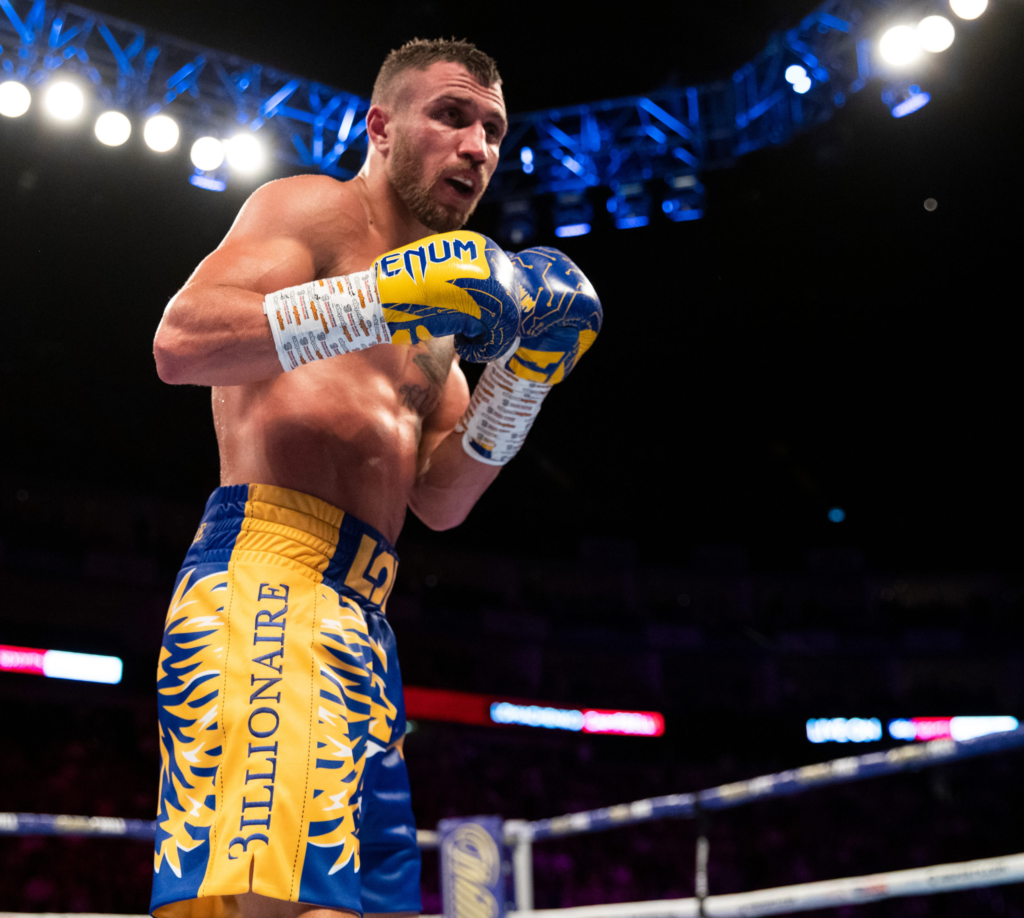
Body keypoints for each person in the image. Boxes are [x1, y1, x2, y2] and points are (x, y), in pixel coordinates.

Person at [149, 38, 601, 918]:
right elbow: (182, 344)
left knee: (354, 904)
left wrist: (525, 378)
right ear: (382, 127)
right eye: (453, 116)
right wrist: (381, 295)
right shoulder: (310, 212)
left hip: (365, 621)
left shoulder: (445, 324)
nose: (478, 146)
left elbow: (440, 500)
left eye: (494, 130)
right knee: (272, 902)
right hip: (269, 580)